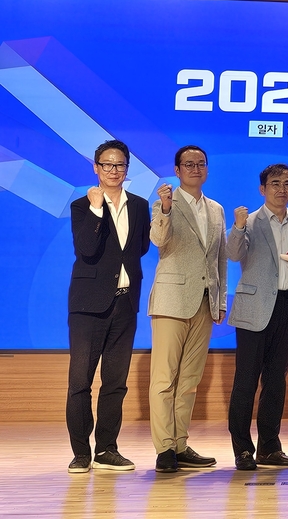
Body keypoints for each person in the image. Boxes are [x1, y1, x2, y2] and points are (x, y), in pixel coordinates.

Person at [66, 140, 151, 473]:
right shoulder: (81, 206)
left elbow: (140, 248)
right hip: (88, 306)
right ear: (96, 167)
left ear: (127, 168)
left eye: (120, 165)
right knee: (80, 381)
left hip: (125, 302)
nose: (114, 170)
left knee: (115, 382)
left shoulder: (140, 205)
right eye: (107, 164)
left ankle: (106, 449)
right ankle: (81, 453)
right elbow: (86, 249)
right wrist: (97, 209)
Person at [148, 145, 226, 473]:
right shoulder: (165, 203)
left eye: (201, 163)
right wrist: (165, 209)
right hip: (171, 300)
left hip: (204, 303)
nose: (196, 168)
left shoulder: (216, 209)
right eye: (188, 164)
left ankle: (180, 444)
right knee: (164, 378)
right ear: (177, 170)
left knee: (190, 380)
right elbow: (158, 241)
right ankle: (165, 448)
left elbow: (219, 258)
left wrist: (220, 301)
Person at [226, 163, 288, 471]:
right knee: (246, 381)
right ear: (262, 189)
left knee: (276, 381)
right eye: (275, 183)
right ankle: (243, 450)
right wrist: (237, 227)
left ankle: (270, 448)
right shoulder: (249, 221)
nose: (282, 189)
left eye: (287, 183)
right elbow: (233, 254)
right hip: (255, 308)